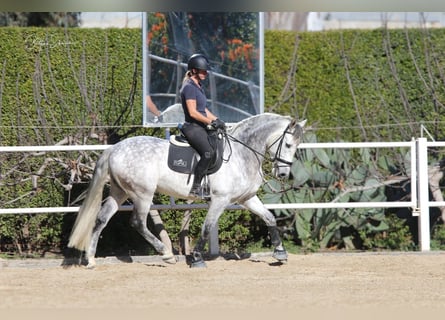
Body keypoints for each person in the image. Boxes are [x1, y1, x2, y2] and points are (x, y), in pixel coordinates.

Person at [179, 53, 226, 198]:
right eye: (203, 71)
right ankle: (196, 187)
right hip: (192, 127)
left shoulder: (198, 86)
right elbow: (193, 112)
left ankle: (210, 183)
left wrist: (218, 120)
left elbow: (203, 110)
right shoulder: (189, 87)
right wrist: (211, 122)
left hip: (200, 126)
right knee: (208, 152)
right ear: (194, 71)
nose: (205, 73)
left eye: (206, 71)